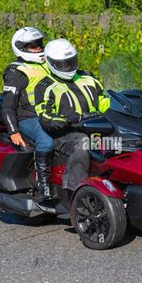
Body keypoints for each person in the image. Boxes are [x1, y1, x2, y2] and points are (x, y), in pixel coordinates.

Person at [33, 39, 111, 199]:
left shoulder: (88, 77)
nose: (68, 67)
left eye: (71, 62)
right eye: (62, 63)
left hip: (96, 127)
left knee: (118, 142)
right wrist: (69, 119)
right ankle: (74, 191)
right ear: (50, 62)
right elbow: (45, 116)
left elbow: (105, 100)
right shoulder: (44, 86)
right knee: (83, 143)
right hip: (65, 133)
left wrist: (120, 105)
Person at [0, 27, 55, 201]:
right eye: (32, 46)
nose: (38, 48)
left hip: (52, 114)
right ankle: (44, 185)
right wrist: (13, 131)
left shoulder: (49, 63)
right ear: (21, 48)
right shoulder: (17, 72)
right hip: (29, 118)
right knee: (46, 141)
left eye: (39, 44)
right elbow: (7, 105)